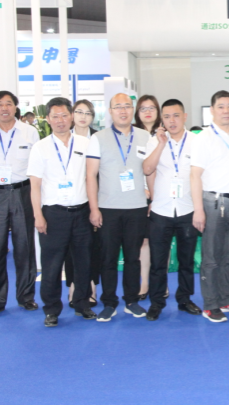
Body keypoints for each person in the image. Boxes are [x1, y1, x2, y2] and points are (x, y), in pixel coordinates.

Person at [27, 98, 94, 327]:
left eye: (64, 115)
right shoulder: (40, 147)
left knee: (83, 262)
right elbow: (35, 185)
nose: (60, 120)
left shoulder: (85, 144)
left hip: (82, 212)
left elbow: (92, 178)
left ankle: (82, 304)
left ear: (71, 117)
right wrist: (38, 215)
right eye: (55, 116)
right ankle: (52, 309)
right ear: (48, 119)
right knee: (52, 265)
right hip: (53, 214)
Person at [0, 91, 40, 318]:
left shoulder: (30, 132)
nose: (4, 108)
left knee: (25, 247)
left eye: (9, 104)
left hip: (22, 192)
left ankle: (26, 297)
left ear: (15, 107)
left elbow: (36, 166)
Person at [86, 93, 151, 321]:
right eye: (118, 107)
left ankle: (131, 301)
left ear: (133, 110)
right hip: (108, 208)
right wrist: (94, 208)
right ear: (110, 111)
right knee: (108, 258)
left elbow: (150, 170)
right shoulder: (98, 138)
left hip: (136, 207)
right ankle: (109, 302)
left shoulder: (145, 136)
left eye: (127, 106)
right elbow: (90, 175)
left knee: (133, 257)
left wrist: (150, 200)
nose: (123, 111)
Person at [190, 91, 229, 323]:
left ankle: (226, 298)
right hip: (214, 202)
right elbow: (195, 175)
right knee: (212, 257)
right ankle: (210, 304)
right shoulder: (203, 138)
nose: (226, 111)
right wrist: (198, 209)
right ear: (213, 110)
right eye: (221, 106)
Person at [142, 99, 201, 321]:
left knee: (187, 261)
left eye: (176, 115)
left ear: (184, 116)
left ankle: (185, 299)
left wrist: (200, 208)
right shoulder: (154, 140)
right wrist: (160, 144)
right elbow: (147, 169)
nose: (171, 121)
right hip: (161, 209)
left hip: (187, 209)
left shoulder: (196, 141)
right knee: (158, 262)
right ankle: (157, 302)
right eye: (166, 117)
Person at [65, 99, 99, 308]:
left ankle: (92, 286)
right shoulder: (63, 137)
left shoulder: (98, 138)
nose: (83, 116)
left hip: (93, 200)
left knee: (92, 246)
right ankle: (73, 285)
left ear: (92, 117)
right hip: (69, 200)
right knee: (71, 247)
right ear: (72, 115)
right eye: (79, 112)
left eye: (87, 113)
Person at [134, 95, 162, 300]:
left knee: (161, 243)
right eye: (143, 108)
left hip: (164, 195)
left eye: (152, 108)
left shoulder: (166, 132)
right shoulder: (132, 134)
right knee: (143, 242)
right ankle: (144, 283)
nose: (148, 112)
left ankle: (161, 284)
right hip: (139, 196)